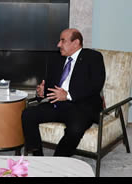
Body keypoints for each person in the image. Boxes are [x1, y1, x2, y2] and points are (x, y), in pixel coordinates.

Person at [21, 28, 105, 156]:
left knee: (75, 129)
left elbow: (96, 85)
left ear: (75, 43)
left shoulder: (93, 57)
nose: (58, 45)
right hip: (57, 104)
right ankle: (38, 157)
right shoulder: (56, 59)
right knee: (28, 114)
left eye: (62, 41)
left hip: (82, 107)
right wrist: (41, 92)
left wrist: (68, 95)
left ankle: (58, 160)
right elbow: (50, 86)